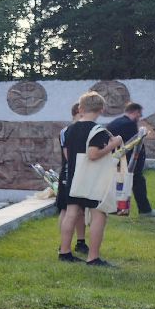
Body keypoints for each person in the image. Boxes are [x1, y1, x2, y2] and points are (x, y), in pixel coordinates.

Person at [57, 91, 122, 266]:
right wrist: (113, 145)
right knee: (98, 215)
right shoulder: (98, 131)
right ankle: (93, 257)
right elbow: (93, 155)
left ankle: (64, 252)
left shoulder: (69, 129)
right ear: (101, 109)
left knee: (71, 214)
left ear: (81, 108)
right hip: (93, 179)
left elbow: (70, 155)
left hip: (74, 177)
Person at [105, 102, 155, 218]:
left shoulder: (115, 122)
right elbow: (134, 144)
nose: (139, 118)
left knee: (117, 187)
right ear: (135, 112)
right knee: (138, 184)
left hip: (116, 161)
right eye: (139, 115)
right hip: (129, 164)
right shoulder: (128, 124)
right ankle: (145, 211)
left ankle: (113, 209)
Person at [56, 101, 89, 255]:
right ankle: (63, 244)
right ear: (79, 110)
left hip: (83, 174)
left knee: (81, 210)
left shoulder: (88, 128)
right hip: (69, 174)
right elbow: (68, 156)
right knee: (66, 209)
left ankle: (81, 243)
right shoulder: (66, 131)